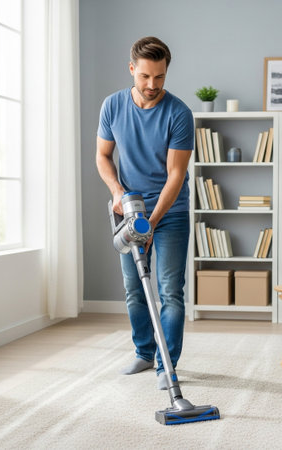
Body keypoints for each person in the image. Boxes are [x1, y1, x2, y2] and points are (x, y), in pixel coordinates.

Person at [96, 36, 194, 390]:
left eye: (160, 78)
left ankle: (167, 366)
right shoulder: (113, 106)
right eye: (145, 77)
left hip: (170, 213)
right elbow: (103, 157)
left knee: (170, 290)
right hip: (129, 209)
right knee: (134, 288)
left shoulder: (179, 113)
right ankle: (144, 352)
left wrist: (151, 223)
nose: (152, 85)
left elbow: (176, 175)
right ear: (132, 69)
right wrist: (118, 192)